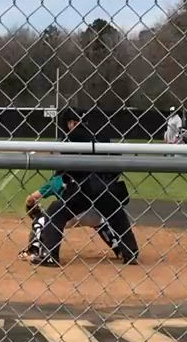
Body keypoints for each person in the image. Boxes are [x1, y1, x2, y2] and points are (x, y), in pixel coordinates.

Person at [28, 107, 139, 267]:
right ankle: (131, 252)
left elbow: (65, 168)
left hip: (83, 187)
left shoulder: (71, 137)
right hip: (107, 187)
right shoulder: (102, 136)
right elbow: (117, 163)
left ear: (72, 123)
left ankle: (50, 255)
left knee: (55, 211)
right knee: (116, 215)